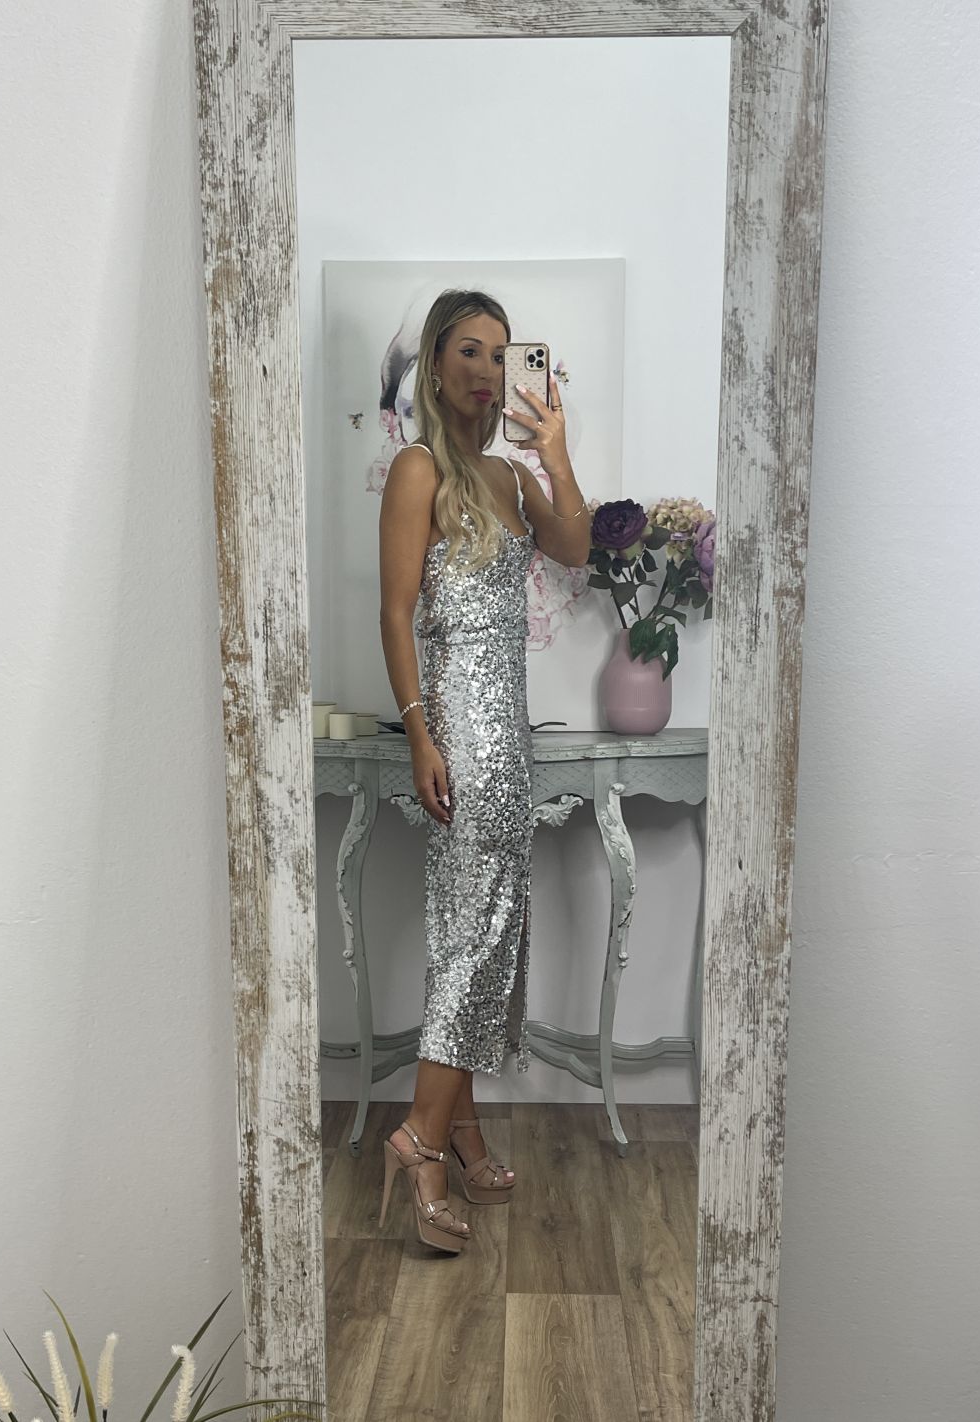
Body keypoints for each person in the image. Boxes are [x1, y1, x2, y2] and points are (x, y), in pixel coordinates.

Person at [376, 289, 591, 1253]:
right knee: (476, 934)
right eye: (470, 351)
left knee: (484, 931)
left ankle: (459, 1131)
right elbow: (395, 612)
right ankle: (420, 1143)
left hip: (513, 733)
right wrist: (420, 734)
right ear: (436, 364)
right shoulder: (417, 468)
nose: (489, 370)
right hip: (460, 730)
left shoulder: (506, 477)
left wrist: (556, 456)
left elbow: (576, 548)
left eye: (502, 355)